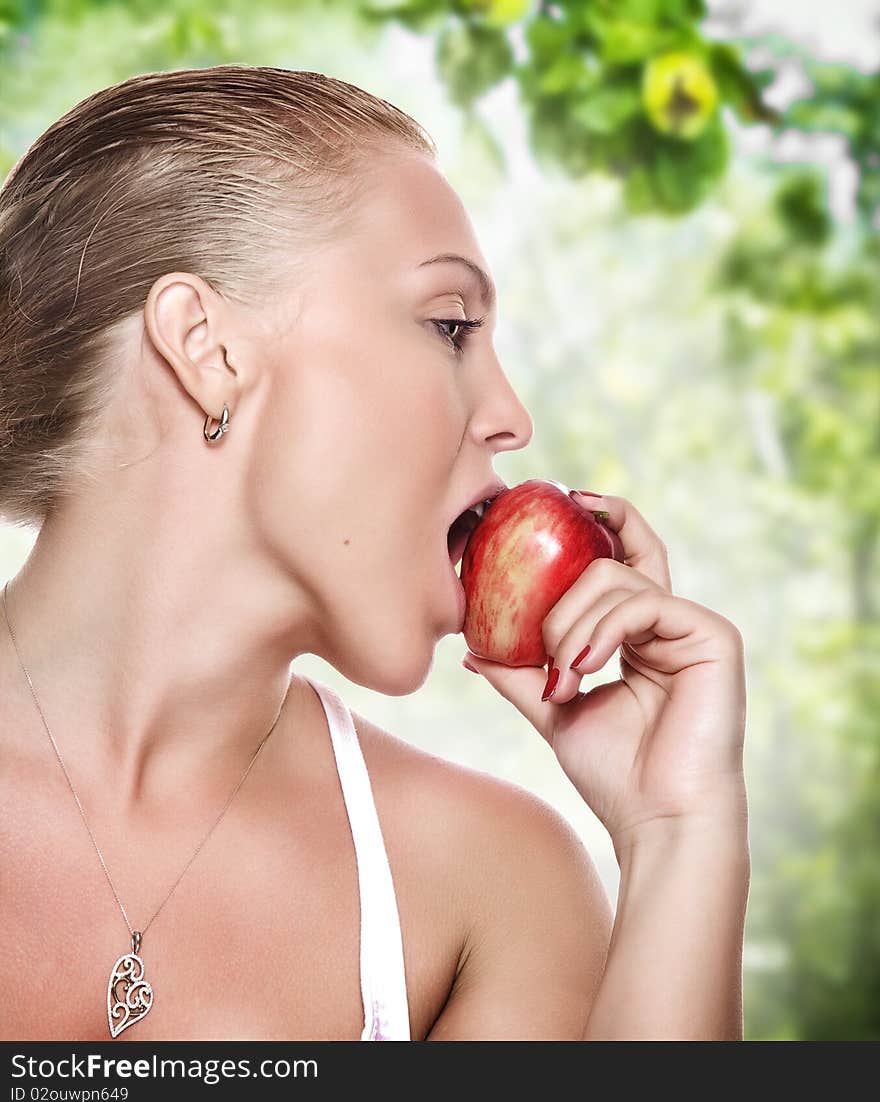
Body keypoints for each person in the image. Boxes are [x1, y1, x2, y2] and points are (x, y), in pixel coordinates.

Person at [0, 64, 749, 1041]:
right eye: (449, 326)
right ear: (207, 347)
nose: (510, 416)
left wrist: (677, 834)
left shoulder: (491, 888)